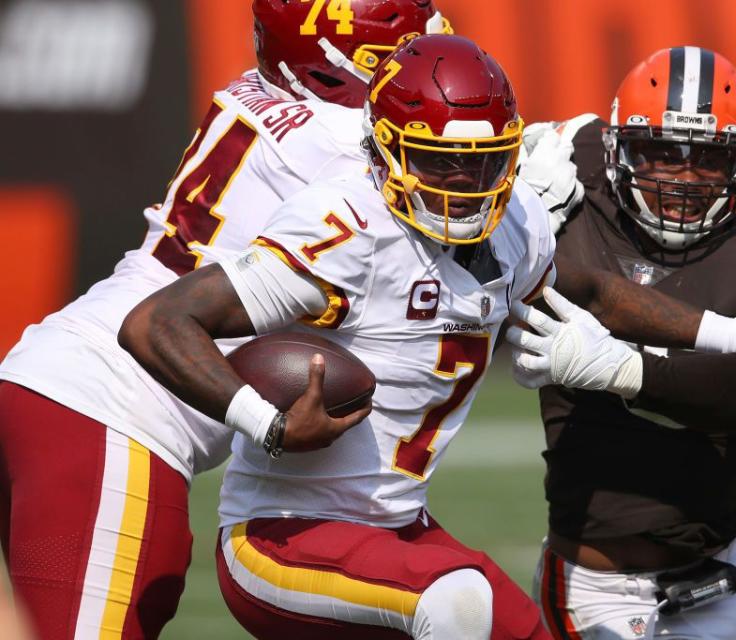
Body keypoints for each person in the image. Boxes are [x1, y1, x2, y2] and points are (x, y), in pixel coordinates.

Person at [118, 35, 736, 640]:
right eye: (442, 160)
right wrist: (267, 421)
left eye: (483, 162)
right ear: (383, 151)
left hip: (397, 531)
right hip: (281, 536)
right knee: (460, 600)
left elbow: (602, 293)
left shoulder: (513, 223)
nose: (463, 183)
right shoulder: (345, 232)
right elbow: (156, 322)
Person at [0, 1, 452, 637]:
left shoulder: (261, 93)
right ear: (348, 57)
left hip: (51, 383)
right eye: (410, 35)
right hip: (112, 413)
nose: (433, 41)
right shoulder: (345, 152)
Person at [510, 46, 736, 639]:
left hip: (734, 567)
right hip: (607, 597)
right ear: (619, 153)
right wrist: (512, 182)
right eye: (661, 154)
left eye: (710, 160)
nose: (683, 179)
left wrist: (624, 369)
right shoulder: (569, 202)